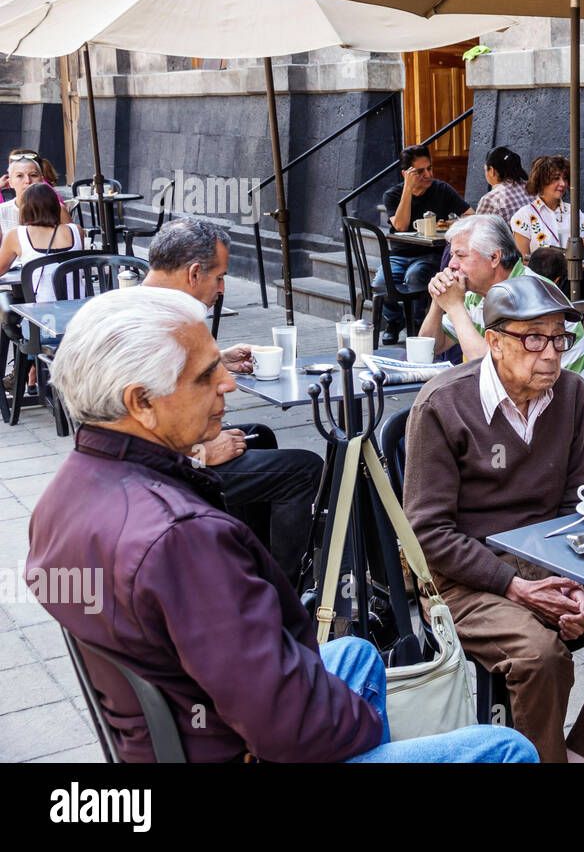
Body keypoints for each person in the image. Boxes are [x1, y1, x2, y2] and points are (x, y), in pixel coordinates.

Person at [29, 286, 536, 763]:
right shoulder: (181, 538)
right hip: (240, 746)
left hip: (184, 719)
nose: (227, 382)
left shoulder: (67, 491)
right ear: (141, 402)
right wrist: (355, 723)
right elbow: (288, 730)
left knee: (357, 652)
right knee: (506, 749)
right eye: (206, 375)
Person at [403, 275, 584, 762]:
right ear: (493, 341)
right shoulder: (442, 404)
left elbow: (569, 507)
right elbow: (426, 534)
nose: (552, 354)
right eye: (533, 339)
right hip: (466, 579)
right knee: (541, 656)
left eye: (560, 338)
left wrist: (570, 582)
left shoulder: (572, 394)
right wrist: (515, 586)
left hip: (549, 559)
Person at [142, 218, 324, 584]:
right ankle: (282, 593)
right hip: (157, 474)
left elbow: (166, 379)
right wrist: (201, 455)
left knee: (258, 434)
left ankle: (246, 566)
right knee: (304, 468)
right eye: (220, 277)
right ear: (194, 273)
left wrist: (217, 360)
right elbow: (129, 430)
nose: (222, 288)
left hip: (163, 454)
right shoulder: (156, 322)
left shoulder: (150, 306)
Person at [418, 214, 584, 391]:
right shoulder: (476, 295)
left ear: (494, 257)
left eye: (460, 255)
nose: (451, 264)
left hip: (557, 403)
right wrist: (439, 302)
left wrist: (454, 308)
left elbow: (491, 372)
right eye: (452, 255)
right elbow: (428, 350)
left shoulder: (529, 295)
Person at [378, 144, 473, 344]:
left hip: (428, 254)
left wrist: (449, 224)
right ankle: (395, 322)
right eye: (420, 171)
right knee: (381, 282)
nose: (428, 174)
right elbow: (402, 226)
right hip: (399, 254)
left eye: (429, 168)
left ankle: (420, 326)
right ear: (406, 173)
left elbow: (470, 215)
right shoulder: (392, 195)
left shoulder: (441, 189)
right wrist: (408, 188)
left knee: (414, 277)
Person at [0, 183, 85, 301]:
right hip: (77, 308)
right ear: (56, 206)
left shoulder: (16, 235)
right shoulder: (76, 230)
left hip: (41, 314)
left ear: (24, 208)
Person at [511, 154, 584, 257]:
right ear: (541, 181)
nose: (563, 184)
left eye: (565, 178)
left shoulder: (574, 212)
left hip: (573, 272)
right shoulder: (524, 216)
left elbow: (583, 254)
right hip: (538, 273)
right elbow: (523, 260)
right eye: (556, 178)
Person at [0, 148, 71, 233]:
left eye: (33, 175)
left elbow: (72, 241)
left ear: (41, 180)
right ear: (10, 182)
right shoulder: (2, 211)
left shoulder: (58, 209)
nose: (27, 181)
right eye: (19, 176)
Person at [474, 146, 532, 222]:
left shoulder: (490, 199)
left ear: (491, 170)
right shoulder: (532, 188)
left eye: (485, 169)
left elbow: (478, 230)